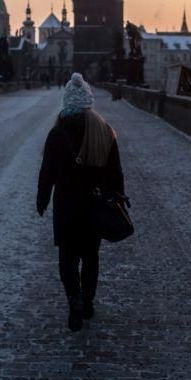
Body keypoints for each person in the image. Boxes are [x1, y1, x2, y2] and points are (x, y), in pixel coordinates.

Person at [37, 73, 125, 332]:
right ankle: (87, 301)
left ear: (67, 103)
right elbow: (115, 173)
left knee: (67, 258)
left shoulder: (57, 133)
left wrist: (42, 199)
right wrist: (117, 198)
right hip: (94, 206)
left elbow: (47, 172)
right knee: (90, 256)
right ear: (88, 101)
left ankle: (73, 298)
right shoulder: (105, 131)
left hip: (66, 206)